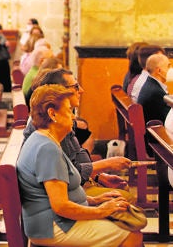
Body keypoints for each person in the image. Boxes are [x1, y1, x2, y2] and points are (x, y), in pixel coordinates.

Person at [18, 84, 143, 247]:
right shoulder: (46, 148)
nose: (72, 116)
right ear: (52, 113)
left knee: (123, 221)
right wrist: (100, 211)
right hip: (53, 226)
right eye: (69, 110)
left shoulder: (45, 140)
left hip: (54, 222)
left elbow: (58, 194)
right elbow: (60, 206)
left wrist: (93, 200)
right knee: (130, 234)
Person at [24, 68, 133, 196]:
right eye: (75, 86)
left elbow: (75, 157)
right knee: (124, 197)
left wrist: (98, 176)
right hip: (64, 192)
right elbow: (67, 174)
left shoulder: (60, 117)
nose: (81, 90)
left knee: (123, 194)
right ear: (60, 91)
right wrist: (107, 164)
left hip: (76, 185)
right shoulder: (52, 124)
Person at [137, 53, 171, 124]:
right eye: (168, 66)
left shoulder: (150, 83)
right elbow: (170, 117)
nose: (171, 69)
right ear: (159, 71)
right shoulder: (155, 92)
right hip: (155, 132)